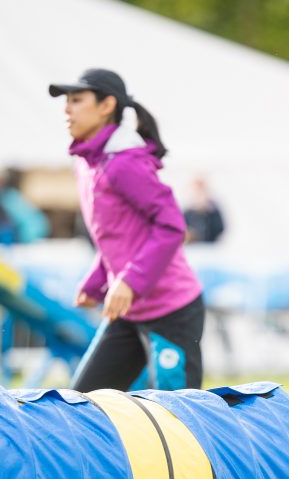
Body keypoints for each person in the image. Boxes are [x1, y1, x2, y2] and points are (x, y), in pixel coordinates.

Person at [49, 68, 204, 392]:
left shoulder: (124, 162)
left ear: (107, 106)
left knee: (178, 415)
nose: (67, 108)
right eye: (67, 101)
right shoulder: (87, 164)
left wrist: (130, 280)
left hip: (171, 310)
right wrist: (97, 281)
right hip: (129, 310)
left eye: (77, 100)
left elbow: (172, 226)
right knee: (83, 404)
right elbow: (119, 236)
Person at [183, 176, 225, 244]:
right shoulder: (187, 212)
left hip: (210, 247)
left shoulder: (213, 211)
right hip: (193, 247)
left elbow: (220, 228)